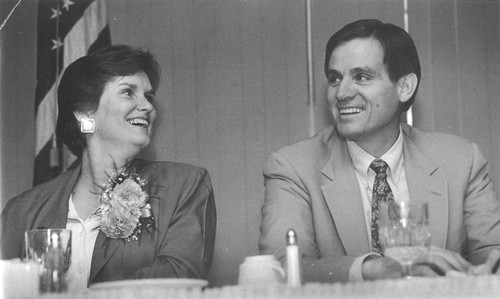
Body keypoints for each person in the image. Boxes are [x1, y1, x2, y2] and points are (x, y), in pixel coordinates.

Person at [259, 19, 500, 283]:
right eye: (334, 78)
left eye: (361, 77)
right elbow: (282, 267)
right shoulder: (293, 167)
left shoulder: (462, 161)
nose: (341, 93)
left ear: (404, 87)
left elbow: (491, 253)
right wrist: (376, 269)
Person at [1, 45, 216, 290]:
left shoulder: (184, 186)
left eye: (149, 96)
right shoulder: (21, 212)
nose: (147, 106)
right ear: (84, 114)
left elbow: (179, 279)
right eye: (128, 92)